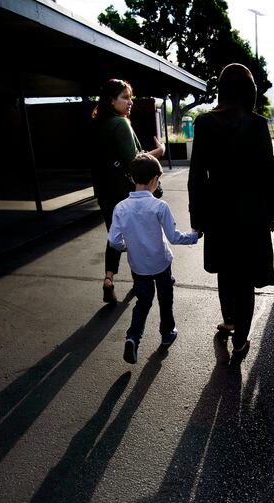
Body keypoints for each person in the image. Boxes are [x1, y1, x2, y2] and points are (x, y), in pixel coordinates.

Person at [188, 63, 274, 359]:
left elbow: (197, 176)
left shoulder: (204, 123)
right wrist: (271, 214)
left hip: (218, 212)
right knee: (246, 278)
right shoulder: (258, 124)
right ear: (250, 91)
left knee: (226, 271)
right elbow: (268, 174)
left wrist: (197, 218)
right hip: (252, 214)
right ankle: (240, 340)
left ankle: (228, 319)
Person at [109, 153, 200, 364]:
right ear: (154, 180)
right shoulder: (160, 206)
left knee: (143, 302)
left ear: (133, 178)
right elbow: (174, 237)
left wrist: (127, 246)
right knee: (165, 299)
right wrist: (195, 236)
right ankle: (167, 333)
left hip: (138, 267)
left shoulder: (120, 208)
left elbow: (114, 241)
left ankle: (133, 337)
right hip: (161, 264)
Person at [90, 78, 165, 305]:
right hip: (124, 192)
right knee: (132, 237)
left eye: (130, 97)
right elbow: (135, 162)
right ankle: (138, 281)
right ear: (111, 100)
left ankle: (109, 278)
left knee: (114, 235)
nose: (129, 102)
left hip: (104, 190)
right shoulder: (120, 124)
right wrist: (159, 151)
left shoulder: (98, 124)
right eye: (124, 97)